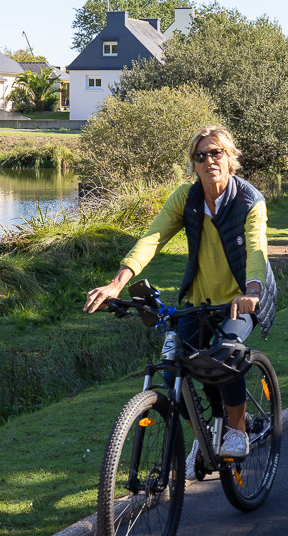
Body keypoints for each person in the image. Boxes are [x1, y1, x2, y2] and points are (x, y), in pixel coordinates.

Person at [84, 125, 277, 462]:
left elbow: (256, 249)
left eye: (215, 153)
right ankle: (203, 434)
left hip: (240, 299)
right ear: (193, 164)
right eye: (200, 156)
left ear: (229, 157)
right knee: (174, 370)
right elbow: (153, 238)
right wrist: (116, 283)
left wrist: (252, 290)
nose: (208, 161)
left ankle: (237, 430)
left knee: (226, 354)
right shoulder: (186, 198)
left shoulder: (249, 200)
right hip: (198, 302)